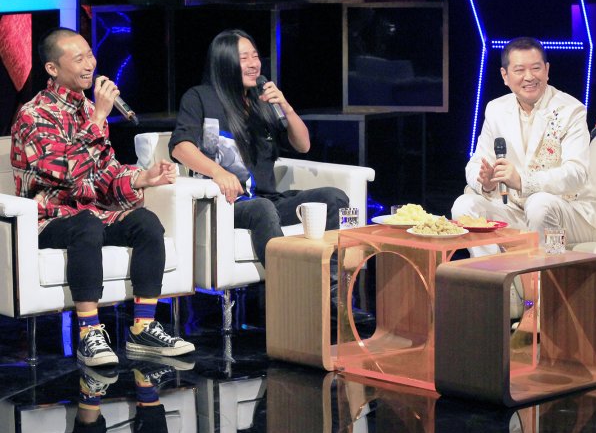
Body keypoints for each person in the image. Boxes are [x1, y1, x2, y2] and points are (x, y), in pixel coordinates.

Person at [10, 27, 195, 368]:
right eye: (78, 58)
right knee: (86, 225)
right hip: (48, 219)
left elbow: (105, 173)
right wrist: (98, 118)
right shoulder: (33, 115)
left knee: (146, 222)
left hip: (91, 216)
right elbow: (65, 173)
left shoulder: (87, 109)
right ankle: (89, 333)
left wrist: (142, 178)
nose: (90, 65)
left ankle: (143, 328)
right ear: (53, 68)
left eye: (90, 56)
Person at [169, 29, 349, 267]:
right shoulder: (199, 98)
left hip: (270, 200)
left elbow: (303, 145)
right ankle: (285, 284)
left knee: (334, 198)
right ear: (224, 62)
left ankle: (330, 282)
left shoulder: (261, 101)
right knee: (262, 209)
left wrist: (286, 107)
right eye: (244, 58)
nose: (254, 64)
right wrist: (218, 172)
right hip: (228, 204)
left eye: (255, 56)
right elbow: (180, 147)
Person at [451, 36, 596, 252]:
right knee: (464, 206)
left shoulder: (570, 110)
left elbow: (577, 173)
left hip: (572, 211)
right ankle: (492, 269)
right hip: (518, 210)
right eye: (519, 70)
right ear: (505, 76)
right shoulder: (496, 109)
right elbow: (475, 164)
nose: (529, 77)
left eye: (536, 68)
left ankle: (550, 267)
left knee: (539, 204)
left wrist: (522, 181)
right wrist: (485, 183)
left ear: (547, 70)